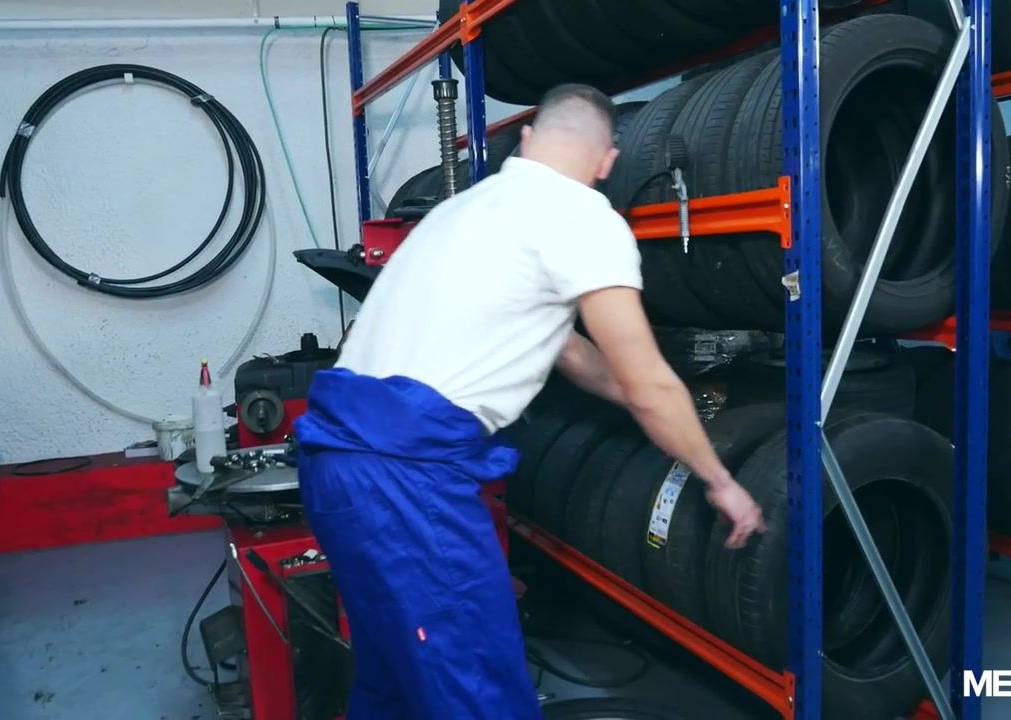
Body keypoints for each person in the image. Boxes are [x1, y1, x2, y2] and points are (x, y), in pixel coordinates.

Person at [293, 83, 765, 720]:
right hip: (407, 484)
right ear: (607, 161)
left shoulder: (464, 211)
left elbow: (568, 350)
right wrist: (719, 479)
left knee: (394, 684)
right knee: (481, 693)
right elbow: (649, 381)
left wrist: (636, 396)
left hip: (331, 466)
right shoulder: (583, 218)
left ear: (527, 138)